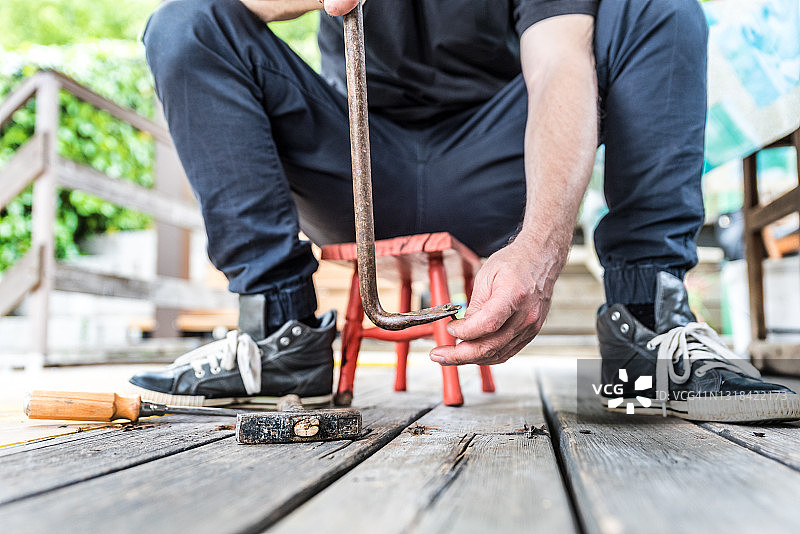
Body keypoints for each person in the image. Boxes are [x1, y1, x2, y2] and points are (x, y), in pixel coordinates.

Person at [130, 0, 799, 422]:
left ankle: (646, 327)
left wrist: (540, 250)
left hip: (493, 160)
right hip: (352, 164)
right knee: (185, 22)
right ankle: (278, 339)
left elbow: (559, 63)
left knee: (659, 8)